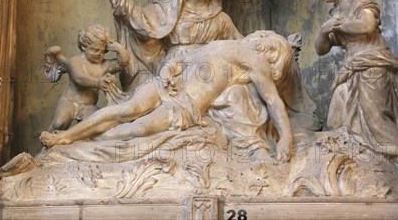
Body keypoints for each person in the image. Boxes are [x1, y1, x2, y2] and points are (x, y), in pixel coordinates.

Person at [94, 0, 273, 157]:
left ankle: (254, 149)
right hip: (176, 70)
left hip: (209, 73)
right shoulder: (170, 12)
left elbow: (241, 45)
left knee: (239, 94)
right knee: (141, 114)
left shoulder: (221, 19)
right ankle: (97, 136)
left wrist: (273, 46)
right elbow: (142, 21)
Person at [40, 31, 294, 163]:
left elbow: (272, 100)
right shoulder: (227, 45)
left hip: (184, 106)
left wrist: (286, 138)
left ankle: (80, 142)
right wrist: (169, 68)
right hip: (168, 83)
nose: (263, 42)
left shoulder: (253, 59)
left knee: (136, 128)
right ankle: (66, 137)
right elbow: (183, 59)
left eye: (270, 44)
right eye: (266, 38)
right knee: (126, 111)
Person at [312, 0, 398, 189]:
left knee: (375, 117)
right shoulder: (333, 13)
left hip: (372, 63)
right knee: (338, 111)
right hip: (352, 68)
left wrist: (338, 25)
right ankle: (362, 161)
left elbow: (368, 26)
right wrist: (324, 31)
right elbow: (321, 49)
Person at [42, 24, 131, 132]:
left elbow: (123, 63)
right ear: (84, 47)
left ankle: (77, 144)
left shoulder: (104, 65)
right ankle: (46, 144)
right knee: (59, 123)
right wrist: (98, 82)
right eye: (95, 50)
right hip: (70, 101)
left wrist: (118, 48)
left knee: (96, 125)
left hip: (89, 106)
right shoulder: (75, 61)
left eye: (103, 51)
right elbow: (79, 78)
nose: (100, 54)